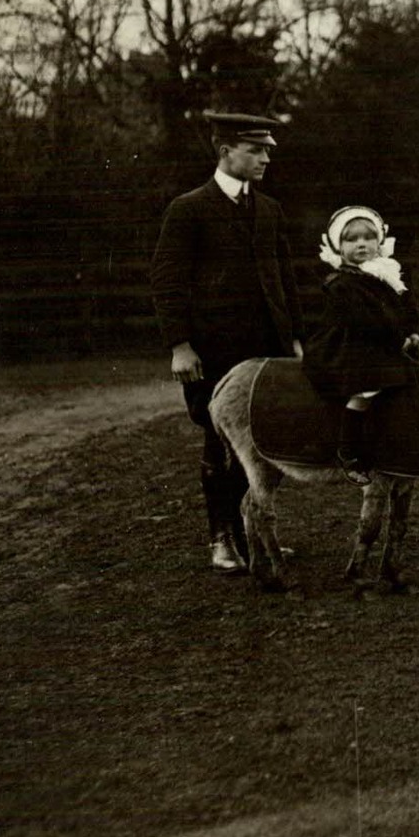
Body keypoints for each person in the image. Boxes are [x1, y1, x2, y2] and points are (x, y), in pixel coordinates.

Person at [152, 111, 304, 572]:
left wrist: (295, 338)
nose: (265, 159)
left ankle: (253, 532)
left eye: (268, 151)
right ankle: (221, 538)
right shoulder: (188, 209)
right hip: (214, 352)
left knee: (262, 442)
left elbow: (285, 280)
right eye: (255, 150)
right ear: (225, 151)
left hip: (267, 351)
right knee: (219, 443)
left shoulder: (270, 209)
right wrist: (180, 345)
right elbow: (167, 280)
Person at [302, 206, 419, 484]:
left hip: (381, 345)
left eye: (368, 238)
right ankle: (348, 452)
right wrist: (397, 338)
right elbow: (364, 322)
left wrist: (412, 331)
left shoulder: (385, 274)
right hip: (348, 347)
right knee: (366, 390)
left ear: (379, 242)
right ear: (338, 247)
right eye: (352, 240)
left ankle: (387, 444)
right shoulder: (342, 283)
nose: (362, 244)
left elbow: (406, 308)